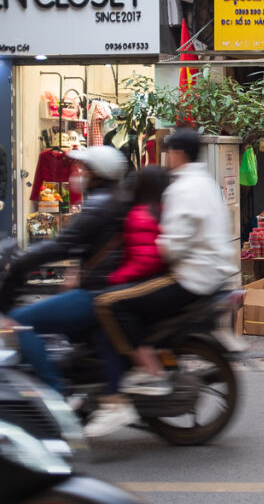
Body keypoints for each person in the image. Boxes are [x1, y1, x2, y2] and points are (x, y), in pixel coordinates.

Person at [91, 128, 235, 411]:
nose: (167, 157)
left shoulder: (182, 188)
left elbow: (175, 245)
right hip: (214, 274)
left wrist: (155, 256)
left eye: (169, 151)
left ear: (178, 153)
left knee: (108, 302)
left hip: (189, 278)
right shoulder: (205, 183)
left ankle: (148, 370)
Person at [0, 146, 129, 394]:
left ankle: (56, 392)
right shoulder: (112, 199)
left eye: (83, 169)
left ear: (97, 174)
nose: (77, 173)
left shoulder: (98, 206)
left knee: (22, 321)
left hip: (95, 294)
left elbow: (60, 246)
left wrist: (20, 262)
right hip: (102, 288)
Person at [83, 165, 170, 437]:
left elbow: (144, 261)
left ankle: (139, 378)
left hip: (141, 283)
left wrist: (114, 279)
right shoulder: (158, 210)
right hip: (151, 281)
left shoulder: (141, 215)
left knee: (105, 310)